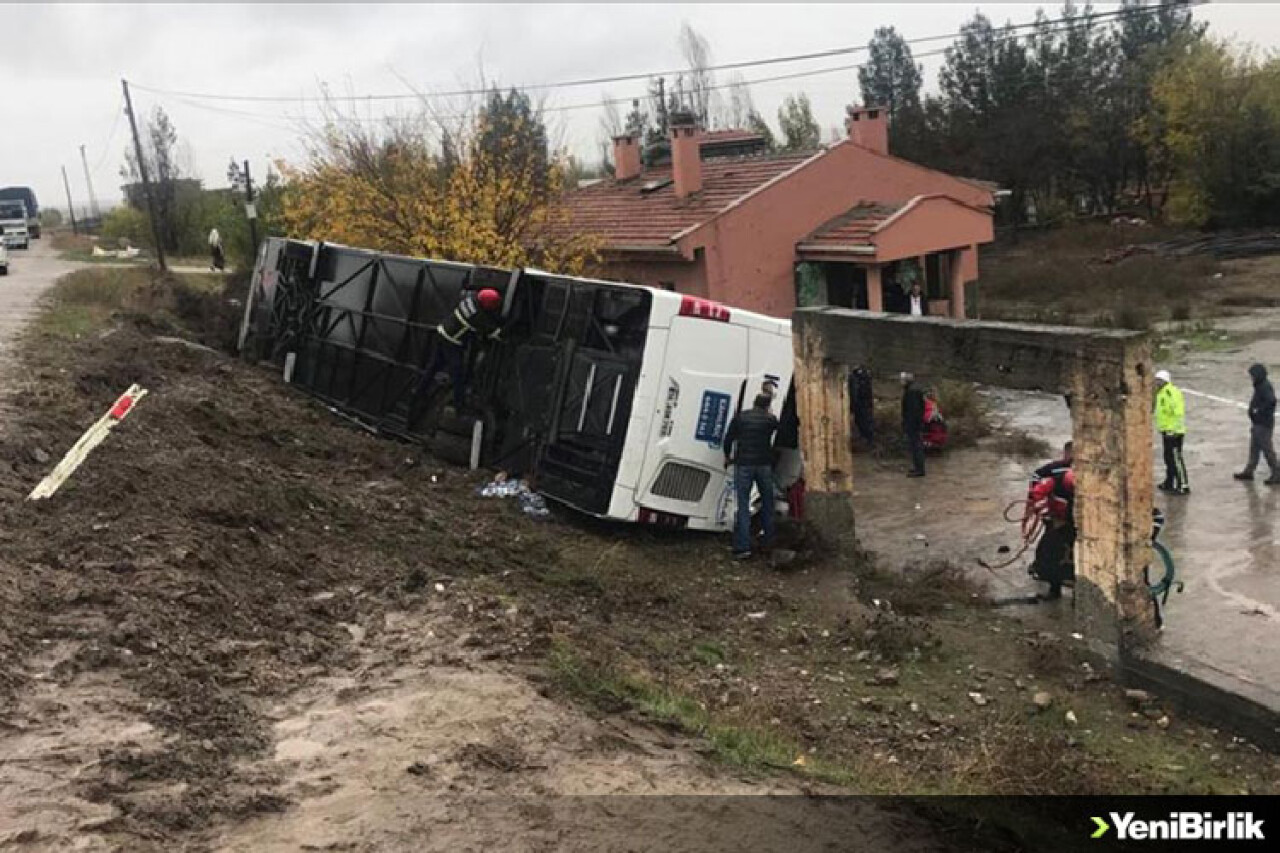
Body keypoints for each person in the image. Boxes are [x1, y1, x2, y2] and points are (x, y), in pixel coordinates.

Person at [409, 287, 504, 424]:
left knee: (434, 366)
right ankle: (459, 408)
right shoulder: (476, 316)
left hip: (442, 333)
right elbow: (493, 332)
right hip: (451, 342)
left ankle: (419, 391)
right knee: (458, 374)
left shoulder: (470, 299)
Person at [724, 393, 779, 560]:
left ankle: (743, 547)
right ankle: (769, 544)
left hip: (744, 464)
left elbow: (728, 438)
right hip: (764, 465)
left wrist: (727, 456)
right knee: (768, 504)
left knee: (743, 504)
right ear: (767, 405)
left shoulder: (741, 418)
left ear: (754, 403)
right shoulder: (770, 420)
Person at [1028, 442, 1076, 600]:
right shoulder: (1054, 478)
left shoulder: (1092, 480)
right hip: (1057, 523)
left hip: (1079, 528)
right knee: (1049, 554)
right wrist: (1046, 514)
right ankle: (1054, 589)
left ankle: (1079, 595)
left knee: (1078, 562)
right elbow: (1036, 494)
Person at [1234, 363, 1280, 484]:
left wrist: (1259, 411)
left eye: (1253, 375)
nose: (1251, 378)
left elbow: (1271, 401)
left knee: (1267, 449)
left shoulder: (1264, 386)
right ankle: (1249, 471)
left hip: (1263, 424)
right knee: (1254, 449)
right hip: (1258, 423)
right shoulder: (1260, 385)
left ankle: (1277, 472)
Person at [1154, 369, 1189, 494]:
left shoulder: (1169, 393)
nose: (1156, 383)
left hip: (1173, 432)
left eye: (1158, 381)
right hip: (1167, 430)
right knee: (1168, 458)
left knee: (1176, 458)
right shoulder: (1162, 393)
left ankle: (1183, 485)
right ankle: (1169, 482)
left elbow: (1177, 412)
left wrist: (1173, 430)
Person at [901, 372, 926, 477]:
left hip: (913, 424)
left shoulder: (911, 392)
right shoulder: (914, 389)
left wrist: (909, 424)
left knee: (916, 446)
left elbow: (913, 410)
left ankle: (919, 469)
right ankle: (918, 467)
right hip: (916, 423)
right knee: (916, 445)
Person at [847, 366, 874, 445]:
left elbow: (855, 393)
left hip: (862, 404)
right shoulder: (859, 377)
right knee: (863, 421)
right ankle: (866, 439)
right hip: (862, 404)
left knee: (863, 421)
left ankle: (866, 439)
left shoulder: (857, 377)